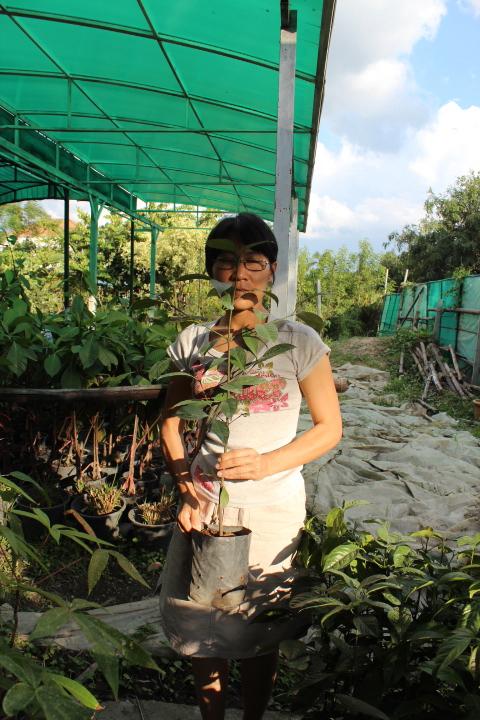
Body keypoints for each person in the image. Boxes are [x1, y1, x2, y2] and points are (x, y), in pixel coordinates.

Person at [159, 212, 342, 720]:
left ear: (272, 270)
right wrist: (186, 490)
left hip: (272, 508)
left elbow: (330, 428)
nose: (240, 274)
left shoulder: (298, 340)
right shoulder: (195, 341)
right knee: (203, 628)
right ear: (211, 272)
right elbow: (170, 424)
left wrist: (267, 463)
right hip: (204, 509)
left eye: (253, 261)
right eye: (225, 262)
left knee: (260, 630)